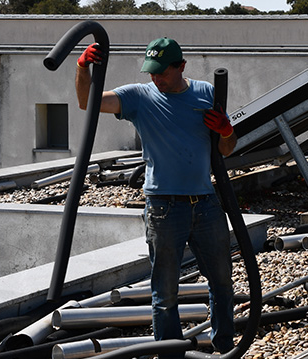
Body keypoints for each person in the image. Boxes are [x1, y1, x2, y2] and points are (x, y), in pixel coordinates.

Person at [75, 37, 237, 357]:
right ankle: (170, 355)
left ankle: (225, 350)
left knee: (222, 283)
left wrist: (227, 130)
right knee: (164, 295)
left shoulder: (206, 93)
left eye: (162, 72)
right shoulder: (138, 97)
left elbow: (226, 151)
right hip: (163, 207)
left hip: (205, 203)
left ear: (181, 67)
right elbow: (87, 102)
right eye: (151, 72)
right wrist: (82, 68)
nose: (155, 78)